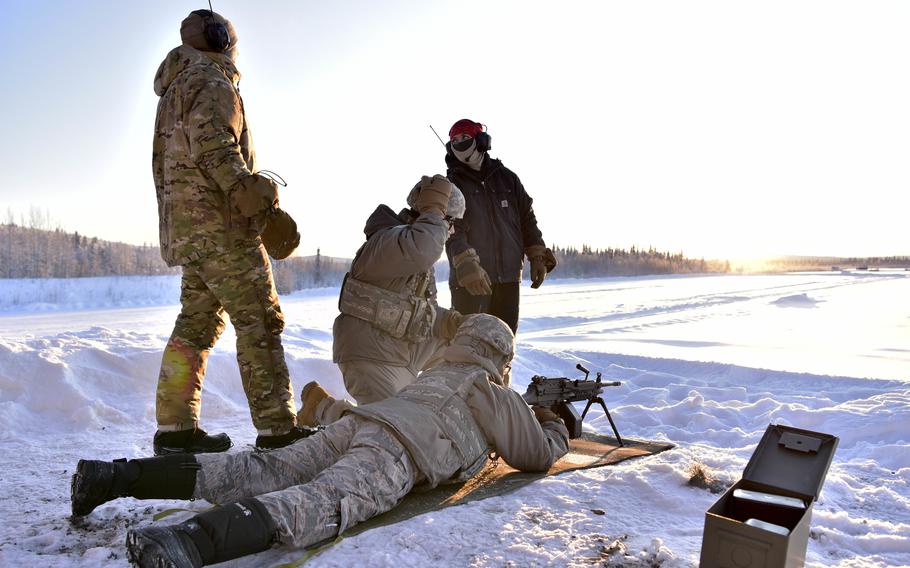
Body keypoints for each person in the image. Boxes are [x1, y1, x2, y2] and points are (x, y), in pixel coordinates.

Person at [70, 314, 570, 567]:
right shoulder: (490, 389)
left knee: (254, 470)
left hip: (361, 424)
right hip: (397, 451)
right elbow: (535, 456)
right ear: (501, 355)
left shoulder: (435, 370)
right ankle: (186, 544)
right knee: (320, 502)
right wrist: (555, 424)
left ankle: (112, 476)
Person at [151, 9, 309, 454]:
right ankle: (278, 430)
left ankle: (176, 430)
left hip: (188, 233)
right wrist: (256, 204)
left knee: (195, 326)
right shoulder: (212, 82)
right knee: (259, 320)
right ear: (223, 41)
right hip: (222, 229)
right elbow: (216, 148)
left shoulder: (174, 89)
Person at [295, 175, 467, 427]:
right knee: (397, 434)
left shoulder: (410, 249)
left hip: (401, 351)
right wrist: (434, 210)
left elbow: (414, 312)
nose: (450, 231)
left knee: (464, 346)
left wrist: (451, 323)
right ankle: (323, 409)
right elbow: (422, 247)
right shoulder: (387, 242)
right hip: (372, 357)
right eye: (449, 221)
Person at [444, 118, 558, 335]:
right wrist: (465, 263)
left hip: (508, 278)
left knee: (503, 344)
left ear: (481, 140)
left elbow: (526, 218)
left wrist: (537, 255)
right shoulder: (450, 185)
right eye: (455, 140)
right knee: (468, 346)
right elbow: (450, 229)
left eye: (465, 137)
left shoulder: (507, 179)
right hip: (471, 280)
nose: (460, 143)